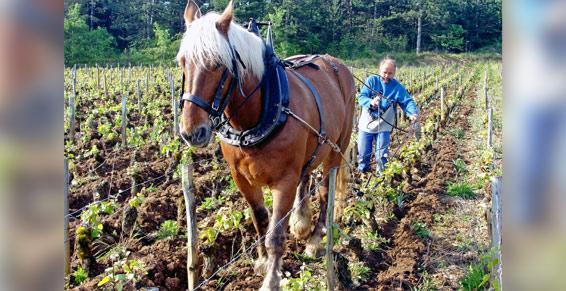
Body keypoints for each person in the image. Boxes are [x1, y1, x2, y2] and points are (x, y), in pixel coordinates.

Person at [357, 57, 418, 173]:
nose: (386, 76)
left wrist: (412, 113)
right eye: (385, 72)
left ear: (394, 73)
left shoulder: (397, 87)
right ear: (380, 70)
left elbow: (407, 101)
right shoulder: (371, 81)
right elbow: (361, 97)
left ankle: (382, 179)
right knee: (363, 155)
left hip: (384, 126)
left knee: (381, 155)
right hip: (366, 125)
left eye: (390, 73)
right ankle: (362, 174)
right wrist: (371, 102)